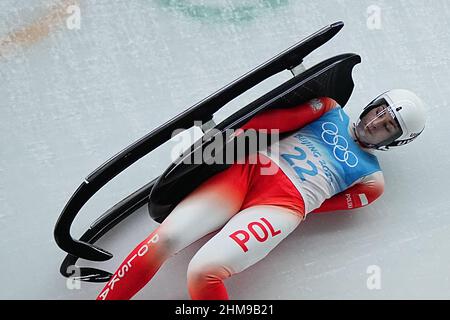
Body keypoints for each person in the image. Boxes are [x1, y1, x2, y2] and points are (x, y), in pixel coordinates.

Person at [96, 89, 426, 300]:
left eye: (388, 126)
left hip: (280, 207)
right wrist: (224, 142)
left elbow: (318, 208)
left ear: (394, 141)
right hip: (247, 171)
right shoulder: (329, 108)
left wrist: (286, 207)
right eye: (379, 112)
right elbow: (268, 122)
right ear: (371, 104)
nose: (376, 123)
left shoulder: (373, 181)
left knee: (203, 273)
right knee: (163, 241)